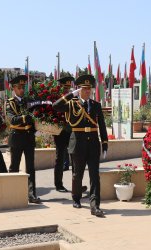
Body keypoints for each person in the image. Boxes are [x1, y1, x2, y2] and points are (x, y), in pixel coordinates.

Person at [53, 74, 108, 217]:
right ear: (79, 90)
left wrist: (105, 143)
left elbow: (102, 125)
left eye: (89, 89)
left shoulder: (96, 105)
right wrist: (71, 94)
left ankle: (95, 205)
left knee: (94, 176)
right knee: (77, 174)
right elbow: (55, 106)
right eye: (84, 89)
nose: (87, 91)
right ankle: (76, 197)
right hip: (77, 143)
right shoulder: (72, 104)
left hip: (93, 144)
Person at [5, 75, 40, 204]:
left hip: (29, 137)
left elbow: (35, 116)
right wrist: (25, 117)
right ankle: (12, 193)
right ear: (13, 88)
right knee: (14, 165)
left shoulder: (29, 101)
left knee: (31, 167)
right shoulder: (9, 102)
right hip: (16, 137)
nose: (21, 90)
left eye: (23, 87)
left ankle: (32, 194)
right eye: (19, 87)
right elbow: (12, 119)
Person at [53, 76, 87, 194]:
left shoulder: (74, 97)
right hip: (60, 130)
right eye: (65, 87)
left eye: (68, 87)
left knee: (76, 157)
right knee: (60, 156)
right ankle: (58, 184)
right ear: (60, 87)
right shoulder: (59, 98)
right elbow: (55, 108)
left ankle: (77, 186)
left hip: (72, 129)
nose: (67, 90)